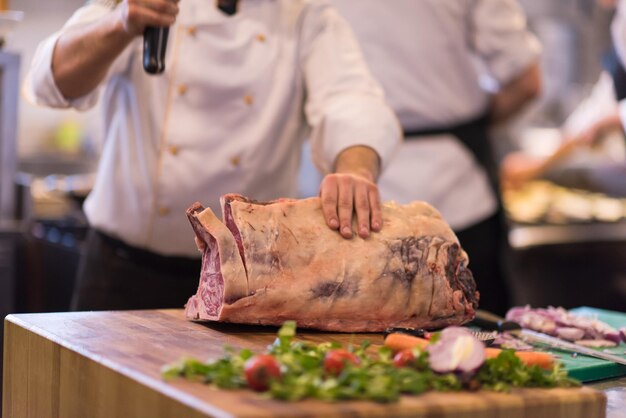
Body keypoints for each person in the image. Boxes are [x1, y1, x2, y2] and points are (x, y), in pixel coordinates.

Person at [23, 0, 400, 311]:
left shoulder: (302, 12)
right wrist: (120, 24)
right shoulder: (141, 4)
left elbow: (350, 99)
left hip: (251, 284)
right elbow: (50, 82)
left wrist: (356, 170)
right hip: (121, 275)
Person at [331, 0, 542, 315]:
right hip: (454, 188)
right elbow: (526, 81)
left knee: (354, 349)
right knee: (478, 347)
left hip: (345, 205)